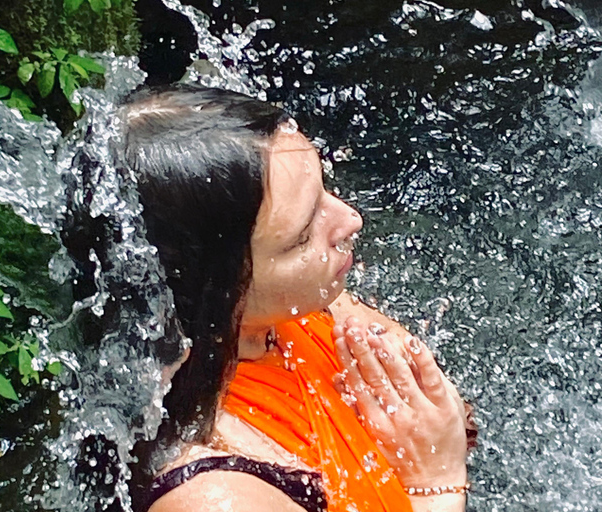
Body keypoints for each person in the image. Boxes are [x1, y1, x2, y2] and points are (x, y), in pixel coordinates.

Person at [99, 84, 470, 512]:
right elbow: (441, 450)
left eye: (323, 190)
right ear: (217, 291)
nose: (352, 218)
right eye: (303, 235)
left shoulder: (297, 310)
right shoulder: (215, 496)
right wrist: (436, 482)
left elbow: (442, 409)